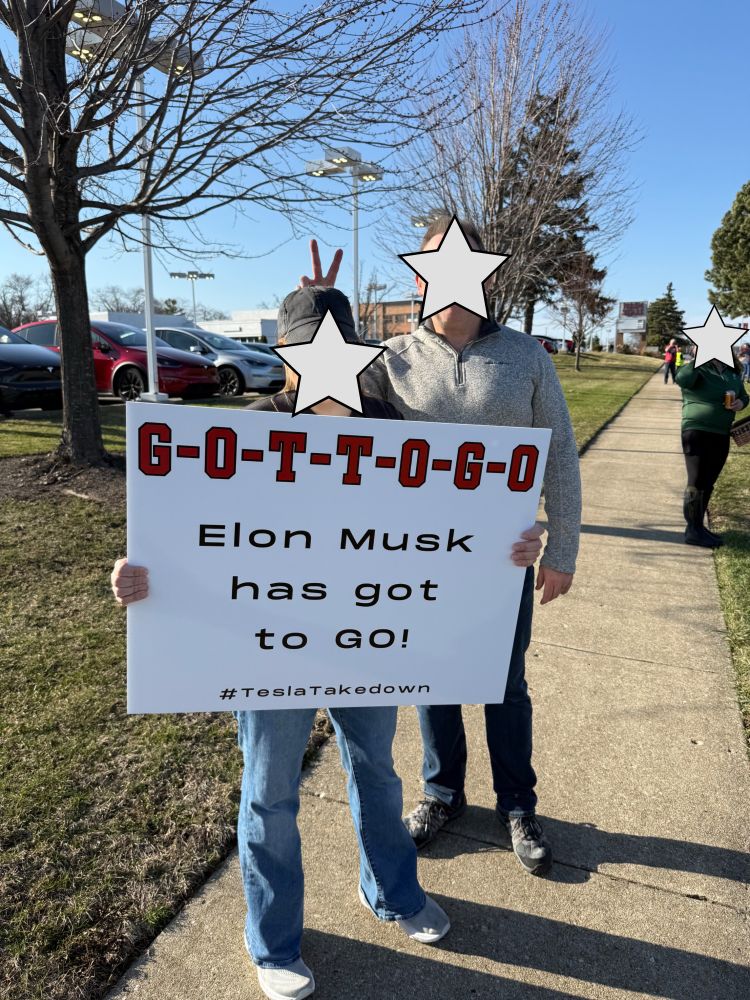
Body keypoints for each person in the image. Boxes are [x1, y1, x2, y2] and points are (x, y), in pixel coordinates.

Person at [111, 272, 545, 1000]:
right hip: (267, 645)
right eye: (306, 349)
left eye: (337, 347)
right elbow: (187, 534)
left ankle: (393, 892)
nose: (324, 361)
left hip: (366, 641)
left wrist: (512, 543)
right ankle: (273, 939)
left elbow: (443, 526)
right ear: (284, 356)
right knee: (270, 790)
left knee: (377, 770)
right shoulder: (245, 430)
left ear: (362, 353)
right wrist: (131, 572)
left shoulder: (391, 426)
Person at [355, 216, 582, 877]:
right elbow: (323, 426)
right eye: (435, 265)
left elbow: (559, 451)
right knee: (434, 680)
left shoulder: (526, 357)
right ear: (420, 276)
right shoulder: (392, 362)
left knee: (505, 684)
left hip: (500, 558)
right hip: (419, 557)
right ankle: (442, 793)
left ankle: (517, 803)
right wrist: (316, 323)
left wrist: (562, 547)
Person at [675, 350, 748, 548]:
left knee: (709, 481)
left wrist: (741, 402)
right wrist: (700, 358)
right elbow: (681, 379)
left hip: (721, 432)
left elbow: (743, 395)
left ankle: (698, 527)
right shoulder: (698, 368)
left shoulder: (731, 371)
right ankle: (693, 530)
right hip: (696, 430)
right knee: (696, 481)